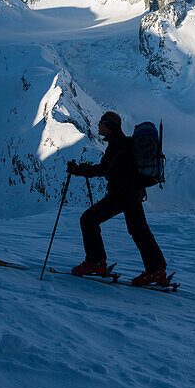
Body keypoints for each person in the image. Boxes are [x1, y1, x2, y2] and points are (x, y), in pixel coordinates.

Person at [66, 110, 167, 287]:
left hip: (123, 194)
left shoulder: (117, 144)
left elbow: (105, 169)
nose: (98, 125)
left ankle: (95, 263)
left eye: (101, 123)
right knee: (139, 231)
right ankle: (156, 271)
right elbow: (109, 168)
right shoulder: (121, 143)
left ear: (109, 126)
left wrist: (79, 170)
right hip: (134, 193)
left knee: (88, 220)